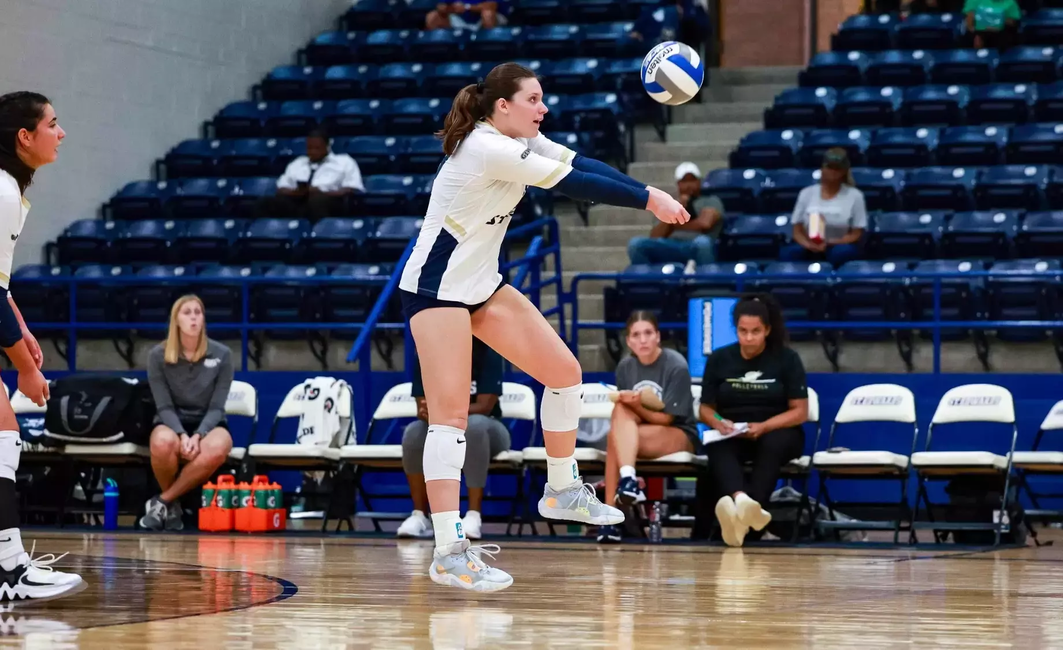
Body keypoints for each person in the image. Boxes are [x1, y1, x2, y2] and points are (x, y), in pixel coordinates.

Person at [398, 62, 689, 591]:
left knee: (564, 372)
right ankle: (448, 550)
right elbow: (578, 185)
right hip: (435, 292)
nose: (544, 107)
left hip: (482, 286)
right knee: (450, 421)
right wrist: (650, 200)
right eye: (534, 99)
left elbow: (585, 162)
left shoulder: (521, 141)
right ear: (502, 107)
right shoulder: (487, 149)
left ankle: (560, 490)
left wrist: (648, 187)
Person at [0, 91, 83, 600]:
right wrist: (24, 370)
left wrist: (22, 330)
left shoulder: (8, 188)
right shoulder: (4, 193)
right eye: (54, 123)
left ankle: (8, 567)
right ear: (24, 137)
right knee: (3, 439)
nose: (62, 132)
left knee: (2, 439)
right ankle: (9, 570)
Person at [698, 295, 809, 548]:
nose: (749, 338)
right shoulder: (719, 359)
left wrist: (765, 426)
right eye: (743, 331)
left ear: (767, 330)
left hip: (778, 429)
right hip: (733, 430)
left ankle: (743, 516)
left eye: (756, 331)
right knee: (717, 444)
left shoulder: (787, 359)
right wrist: (719, 422)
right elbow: (705, 408)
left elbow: (800, 411)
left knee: (771, 444)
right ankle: (743, 503)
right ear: (736, 329)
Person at [396, 339, 511, 540]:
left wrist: (444, 412)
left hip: (489, 429)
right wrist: (441, 415)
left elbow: (484, 406)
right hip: (442, 424)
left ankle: (473, 516)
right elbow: (422, 408)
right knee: (414, 433)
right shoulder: (427, 352)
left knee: (473, 426)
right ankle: (420, 515)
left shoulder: (486, 350)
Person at [599, 312, 697, 544]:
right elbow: (627, 417)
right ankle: (627, 480)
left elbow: (668, 420)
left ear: (658, 337)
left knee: (616, 437)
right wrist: (631, 406)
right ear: (629, 341)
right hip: (640, 433)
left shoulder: (676, 365)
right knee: (617, 425)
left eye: (648, 333)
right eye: (636, 335)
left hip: (680, 434)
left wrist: (637, 407)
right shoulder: (625, 367)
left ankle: (609, 518)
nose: (642, 340)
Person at [141, 295, 234, 531]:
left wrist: (198, 435)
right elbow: (164, 407)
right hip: (171, 421)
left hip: (208, 424)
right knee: (162, 442)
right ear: (176, 321)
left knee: (219, 445)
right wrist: (182, 434)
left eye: (198, 312)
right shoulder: (157, 356)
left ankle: (164, 500)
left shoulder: (222, 354)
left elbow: (216, 408)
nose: (194, 317)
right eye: (187, 313)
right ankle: (173, 506)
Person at [780, 148, 867, 268]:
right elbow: (797, 230)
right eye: (829, 167)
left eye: (837, 169)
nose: (832, 172)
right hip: (809, 242)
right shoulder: (806, 193)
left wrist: (830, 242)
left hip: (839, 243)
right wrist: (808, 244)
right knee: (789, 253)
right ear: (822, 168)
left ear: (844, 171)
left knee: (841, 253)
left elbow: (856, 234)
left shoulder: (855, 195)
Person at [627, 162, 724, 268]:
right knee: (636, 244)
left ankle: (706, 283)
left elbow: (705, 224)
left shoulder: (711, 201)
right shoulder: (667, 203)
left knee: (703, 243)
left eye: (692, 180)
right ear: (678, 184)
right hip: (669, 245)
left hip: (695, 245)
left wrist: (673, 225)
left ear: (699, 182)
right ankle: (647, 283)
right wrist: (675, 209)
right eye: (684, 181)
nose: (689, 185)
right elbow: (655, 236)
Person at [256, 129, 363, 222]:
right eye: (309, 148)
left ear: (327, 146)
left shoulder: (344, 161)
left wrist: (324, 192)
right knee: (264, 203)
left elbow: (352, 189)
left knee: (316, 200)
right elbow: (281, 188)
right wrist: (296, 192)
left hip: (330, 201)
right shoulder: (298, 163)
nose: (312, 151)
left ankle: (317, 235)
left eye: (317, 148)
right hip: (298, 200)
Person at [426, 1, 509, 31]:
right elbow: (440, 6)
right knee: (433, 16)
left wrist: (467, 7)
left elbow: (491, 6)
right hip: (460, 17)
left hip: (483, 18)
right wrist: (452, 8)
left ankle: (490, 45)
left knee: (488, 14)